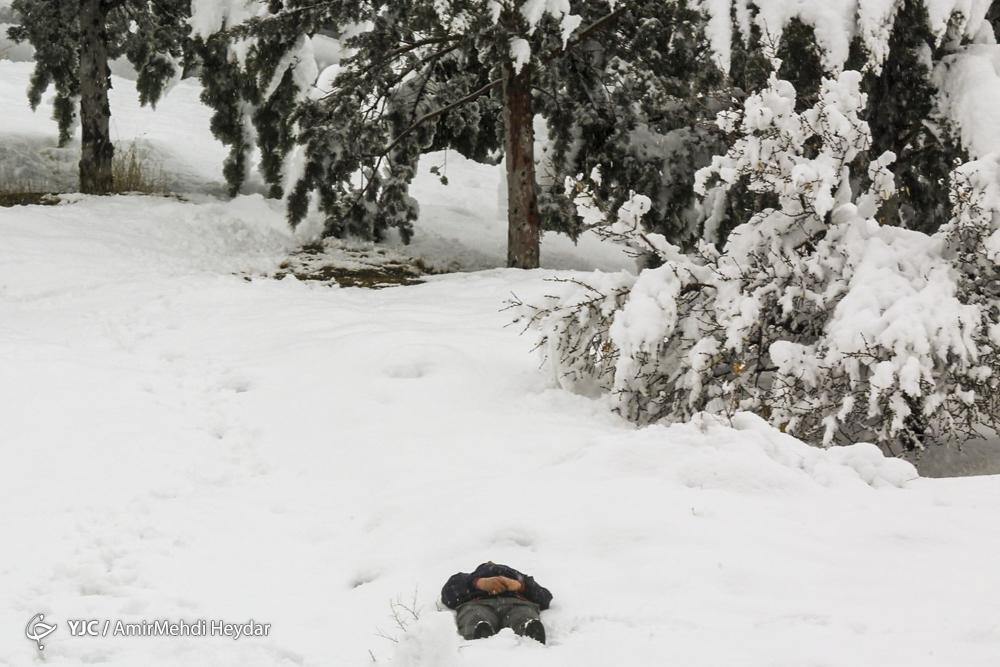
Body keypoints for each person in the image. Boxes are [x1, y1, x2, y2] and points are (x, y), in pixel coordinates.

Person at [441, 562, 552, 644]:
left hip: (517, 604)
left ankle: (529, 632)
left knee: (523, 615)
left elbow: (545, 598)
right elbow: (448, 595)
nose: (494, 568)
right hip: (478, 604)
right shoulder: (464, 579)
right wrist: (479, 583)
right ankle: (479, 634)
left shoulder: (523, 581)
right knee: (475, 616)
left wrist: (520, 586)